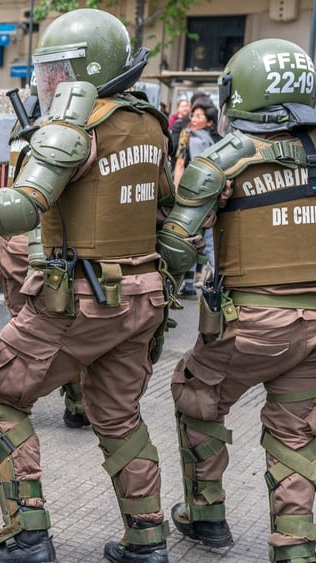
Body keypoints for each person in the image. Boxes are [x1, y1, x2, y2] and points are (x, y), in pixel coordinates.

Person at [0, 9, 175, 562]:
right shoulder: (149, 123)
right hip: (141, 294)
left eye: (54, 70)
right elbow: (163, 209)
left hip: (81, 299)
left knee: (2, 399)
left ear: (82, 70)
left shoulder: (74, 127)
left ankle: (28, 537)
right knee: (120, 417)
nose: (46, 82)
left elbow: (18, 210)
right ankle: (147, 539)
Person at [157, 38, 316, 563]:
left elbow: (177, 248)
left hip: (252, 323)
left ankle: (206, 516)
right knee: (295, 431)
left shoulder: (225, 159)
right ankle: (295, 547)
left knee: (194, 393)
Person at [0, 89, 89, 429]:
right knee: (60, 325)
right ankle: (75, 399)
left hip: (18, 237)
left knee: (26, 327)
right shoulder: (73, 124)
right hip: (48, 240)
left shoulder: (27, 120)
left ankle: (17, 400)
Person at [172, 99, 222, 294]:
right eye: (193, 115)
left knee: (189, 238)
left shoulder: (187, 136)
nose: (193, 119)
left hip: (190, 194)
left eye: (199, 116)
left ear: (209, 121)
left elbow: (180, 164)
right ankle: (216, 282)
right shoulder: (219, 141)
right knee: (209, 240)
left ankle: (189, 284)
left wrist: (178, 192)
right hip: (211, 195)